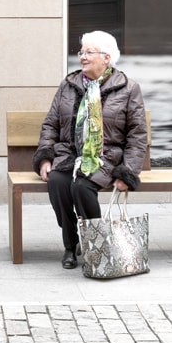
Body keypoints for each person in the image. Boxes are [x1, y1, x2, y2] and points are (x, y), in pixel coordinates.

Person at [32, 30, 148, 269]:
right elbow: (50, 124)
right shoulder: (68, 84)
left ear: (106, 57)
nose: (82, 57)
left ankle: (96, 242)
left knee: (82, 186)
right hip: (68, 155)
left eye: (89, 52)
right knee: (57, 182)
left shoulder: (128, 88)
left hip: (104, 158)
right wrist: (45, 157)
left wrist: (127, 172)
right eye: (81, 52)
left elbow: (137, 136)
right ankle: (70, 243)